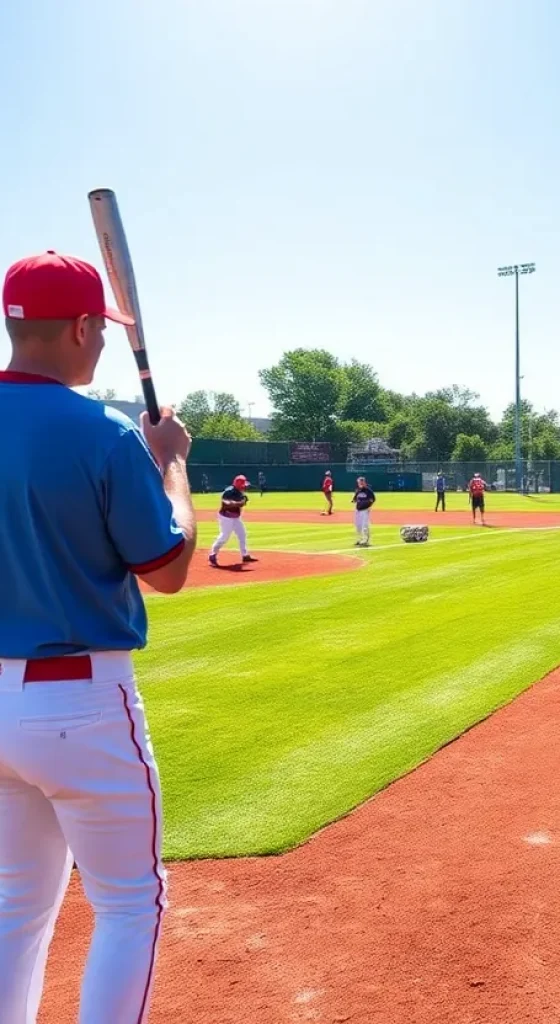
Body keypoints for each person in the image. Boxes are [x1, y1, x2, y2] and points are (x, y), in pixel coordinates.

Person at [0, 251, 197, 1022]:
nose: (107, 343)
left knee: (15, 906)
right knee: (128, 904)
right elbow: (169, 568)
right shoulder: (104, 432)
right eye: (102, 331)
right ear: (80, 328)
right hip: (81, 702)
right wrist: (171, 465)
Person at [210, 475, 256, 566]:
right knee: (224, 537)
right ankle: (213, 554)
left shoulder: (240, 492)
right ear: (238, 485)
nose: (245, 487)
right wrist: (240, 503)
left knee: (242, 534)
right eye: (243, 485)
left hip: (235, 517)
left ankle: (245, 555)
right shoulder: (229, 491)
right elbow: (226, 503)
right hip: (226, 517)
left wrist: (242, 502)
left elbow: (239, 504)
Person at [352, 476, 375, 547]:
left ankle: (365, 540)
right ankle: (359, 539)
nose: (361, 483)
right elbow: (354, 499)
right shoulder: (358, 490)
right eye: (359, 482)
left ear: (364, 482)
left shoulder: (368, 491)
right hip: (358, 510)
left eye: (362, 482)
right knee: (358, 526)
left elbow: (372, 499)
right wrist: (354, 500)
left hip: (365, 510)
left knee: (364, 525)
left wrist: (368, 505)